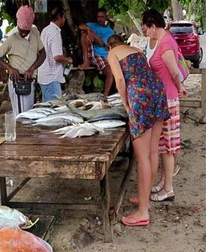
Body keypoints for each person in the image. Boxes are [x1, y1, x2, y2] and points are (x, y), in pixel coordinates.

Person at [106, 34, 169, 227]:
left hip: (141, 98)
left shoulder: (113, 53)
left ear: (110, 46)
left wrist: (125, 104)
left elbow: (119, 79)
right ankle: (145, 200)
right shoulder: (136, 50)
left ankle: (142, 212)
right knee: (152, 152)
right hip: (157, 91)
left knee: (142, 158)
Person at [141, 9, 188, 202]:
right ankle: (163, 181)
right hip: (160, 100)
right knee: (163, 145)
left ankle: (168, 188)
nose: (146, 32)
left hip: (168, 99)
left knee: (169, 146)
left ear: (153, 25)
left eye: (146, 28)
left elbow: (175, 72)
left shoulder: (166, 42)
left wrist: (180, 88)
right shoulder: (159, 41)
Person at [0, 5, 45, 115]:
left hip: (31, 81)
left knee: (29, 114)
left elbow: (43, 53)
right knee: (21, 116)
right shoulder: (10, 37)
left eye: (26, 31)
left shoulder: (34, 32)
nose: (23, 33)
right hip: (18, 83)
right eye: (21, 30)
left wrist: (32, 68)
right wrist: (9, 68)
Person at [37, 6, 73, 102]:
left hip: (43, 75)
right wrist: (68, 59)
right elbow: (57, 57)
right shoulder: (55, 33)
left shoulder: (45, 30)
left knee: (46, 108)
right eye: (64, 17)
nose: (64, 19)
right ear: (60, 17)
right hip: (51, 77)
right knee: (54, 109)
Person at [78, 8, 115, 95]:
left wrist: (91, 33)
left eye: (102, 17)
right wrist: (88, 30)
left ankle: (106, 95)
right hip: (94, 54)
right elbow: (80, 26)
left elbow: (101, 43)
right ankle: (86, 61)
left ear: (106, 17)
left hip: (105, 55)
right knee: (84, 34)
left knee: (112, 72)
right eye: (98, 17)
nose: (100, 19)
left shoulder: (109, 31)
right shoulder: (92, 25)